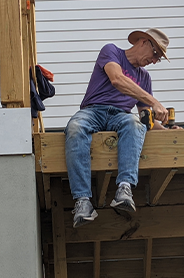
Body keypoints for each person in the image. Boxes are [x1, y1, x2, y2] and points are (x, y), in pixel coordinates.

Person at [65, 28, 174, 228]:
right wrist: (153, 100)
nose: (155, 60)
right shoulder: (111, 51)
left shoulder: (145, 78)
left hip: (120, 115)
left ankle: (124, 189)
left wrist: (167, 133)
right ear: (143, 41)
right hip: (93, 111)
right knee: (75, 127)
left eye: (159, 58)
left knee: (134, 123)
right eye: (156, 53)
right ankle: (82, 201)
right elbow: (117, 79)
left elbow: (145, 119)